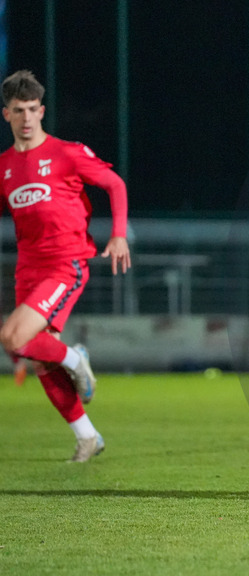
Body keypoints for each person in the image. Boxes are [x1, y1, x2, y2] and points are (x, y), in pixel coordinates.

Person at [0, 70, 131, 462]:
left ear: (42, 111)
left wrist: (119, 234)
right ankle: (88, 437)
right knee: (39, 358)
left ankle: (76, 359)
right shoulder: (4, 166)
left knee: (12, 337)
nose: (26, 118)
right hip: (28, 269)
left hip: (66, 263)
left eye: (32, 109)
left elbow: (115, 185)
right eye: (17, 110)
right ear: (5, 114)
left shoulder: (67, 153)